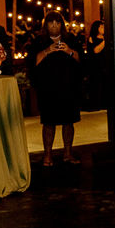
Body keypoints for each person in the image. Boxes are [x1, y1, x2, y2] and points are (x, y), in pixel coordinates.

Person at [26, 11, 82, 167]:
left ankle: (68, 153)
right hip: (48, 88)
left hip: (69, 87)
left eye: (58, 23)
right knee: (49, 123)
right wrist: (48, 50)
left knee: (69, 122)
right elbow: (32, 62)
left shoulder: (71, 39)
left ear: (62, 25)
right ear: (46, 25)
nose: (55, 26)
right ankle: (47, 155)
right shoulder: (39, 41)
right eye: (51, 23)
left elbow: (81, 59)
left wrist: (69, 51)